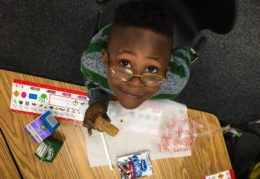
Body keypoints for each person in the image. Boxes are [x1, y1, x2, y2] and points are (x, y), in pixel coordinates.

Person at [81, 0, 191, 135]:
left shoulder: (175, 82)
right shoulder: (93, 62)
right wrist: (97, 99)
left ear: (166, 71)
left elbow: (183, 52)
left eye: (151, 69)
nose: (135, 82)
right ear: (105, 59)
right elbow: (92, 80)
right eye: (124, 63)